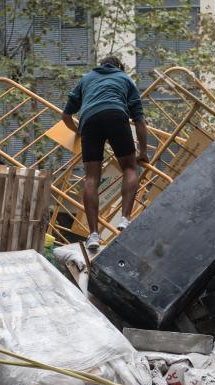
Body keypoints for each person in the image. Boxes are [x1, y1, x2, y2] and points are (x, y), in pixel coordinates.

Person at [62, 56, 149, 251]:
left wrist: (79, 131)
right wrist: (143, 152)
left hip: (89, 120)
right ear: (120, 67)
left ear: (100, 65)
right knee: (129, 168)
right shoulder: (125, 79)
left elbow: (66, 116)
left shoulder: (86, 79)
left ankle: (93, 235)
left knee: (91, 177)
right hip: (116, 115)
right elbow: (139, 120)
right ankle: (125, 219)